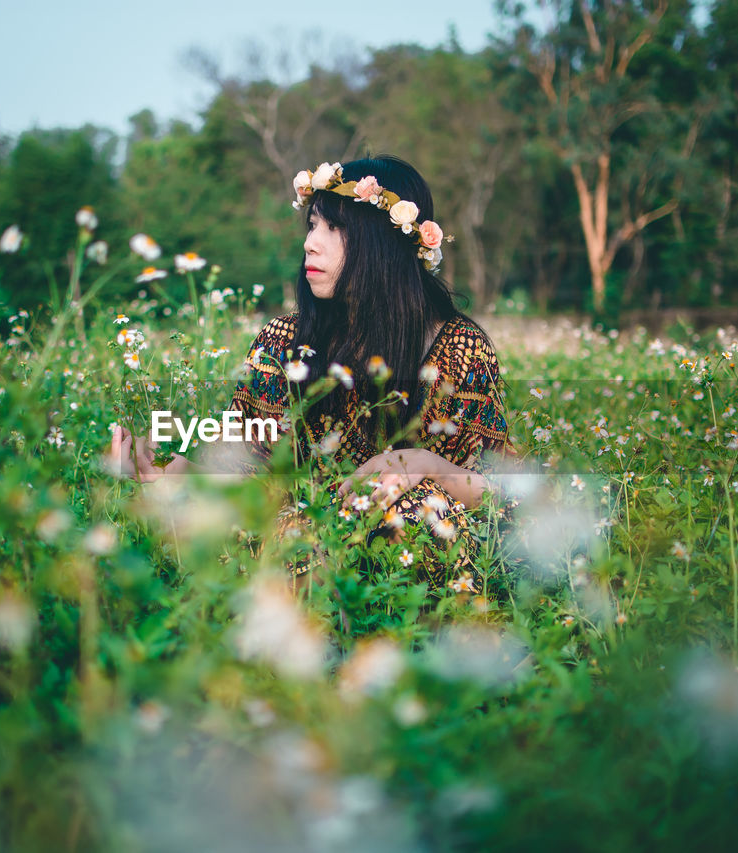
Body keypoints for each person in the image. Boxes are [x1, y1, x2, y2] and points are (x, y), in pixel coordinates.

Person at [111, 155, 510, 591]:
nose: (310, 243)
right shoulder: (283, 341)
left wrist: (424, 463)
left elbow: (499, 494)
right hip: (298, 537)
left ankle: (345, 612)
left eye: (333, 228)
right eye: (312, 225)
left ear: (383, 243)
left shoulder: (459, 349)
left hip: (403, 559)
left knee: (421, 511)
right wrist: (172, 476)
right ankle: (312, 609)